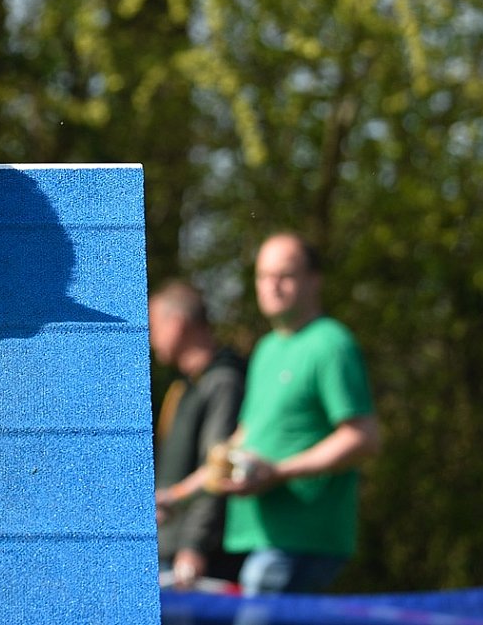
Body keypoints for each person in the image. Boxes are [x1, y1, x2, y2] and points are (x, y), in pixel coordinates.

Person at [214, 233, 381, 595]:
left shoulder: (331, 344)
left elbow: (363, 437)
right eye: (263, 276)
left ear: (314, 281)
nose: (272, 286)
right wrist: (179, 496)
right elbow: (243, 438)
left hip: (303, 542)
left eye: (285, 275)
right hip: (261, 537)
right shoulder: (266, 349)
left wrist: (279, 472)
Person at [149, 280, 247, 588]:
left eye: (154, 326)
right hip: (169, 548)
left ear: (177, 323)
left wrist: (195, 545)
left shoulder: (222, 383)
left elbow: (218, 467)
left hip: (195, 562)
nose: (151, 337)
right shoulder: (184, 387)